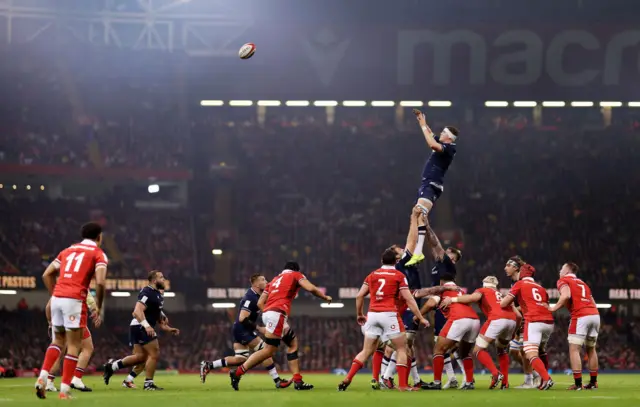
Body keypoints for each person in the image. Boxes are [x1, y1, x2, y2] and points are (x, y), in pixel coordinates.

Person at [229, 261, 331, 391]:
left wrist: (268, 313)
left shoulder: (274, 280)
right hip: (277, 314)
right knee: (268, 351)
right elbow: (311, 288)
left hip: (271, 314)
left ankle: (298, 381)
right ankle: (237, 373)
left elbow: (260, 302)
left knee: (292, 343)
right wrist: (325, 297)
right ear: (295, 269)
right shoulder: (296, 275)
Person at [337, 247, 429, 392]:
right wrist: (421, 317)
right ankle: (404, 386)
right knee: (402, 348)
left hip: (372, 314)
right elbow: (409, 299)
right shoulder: (398, 275)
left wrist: (360, 314)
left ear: (381, 260)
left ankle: (347, 378)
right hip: (389, 314)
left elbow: (359, 296)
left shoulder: (372, 275)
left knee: (366, 351)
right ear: (396, 261)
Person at [35, 222, 108, 400]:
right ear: (99, 237)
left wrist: (56, 294)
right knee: (74, 346)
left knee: (58, 341)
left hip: (57, 298)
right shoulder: (98, 254)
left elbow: (46, 274)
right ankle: (64, 390)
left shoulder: (68, 250)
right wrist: (98, 305)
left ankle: (42, 378)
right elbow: (100, 282)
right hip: (74, 300)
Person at [200, 274, 291, 388]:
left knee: (240, 359)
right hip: (243, 330)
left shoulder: (258, 296)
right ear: (256, 284)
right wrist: (259, 328)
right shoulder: (250, 297)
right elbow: (243, 318)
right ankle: (277, 381)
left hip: (240, 329)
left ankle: (209, 365)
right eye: (263, 280)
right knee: (265, 350)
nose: (266, 281)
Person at [103, 270, 180, 391]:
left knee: (140, 357)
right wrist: (147, 326)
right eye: (161, 277)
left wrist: (168, 328)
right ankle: (148, 384)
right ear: (154, 280)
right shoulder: (147, 291)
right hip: (141, 325)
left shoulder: (157, 295)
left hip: (138, 326)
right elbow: (137, 311)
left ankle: (112, 367)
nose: (164, 279)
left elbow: (159, 319)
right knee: (154, 354)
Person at [441, 276, 520, 389]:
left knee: (478, 350)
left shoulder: (482, 290)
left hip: (496, 319)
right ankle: (505, 383)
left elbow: (473, 298)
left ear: (484, 284)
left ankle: (496, 374)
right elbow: (518, 316)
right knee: (502, 350)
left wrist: (452, 299)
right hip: (511, 320)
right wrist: (513, 332)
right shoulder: (503, 295)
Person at [412, 214, 463, 389]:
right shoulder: (439, 264)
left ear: (452, 259)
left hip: (443, 304)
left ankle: (451, 378)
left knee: (442, 344)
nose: (442, 252)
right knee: (439, 343)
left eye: (448, 253)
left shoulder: (447, 264)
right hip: (439, 303)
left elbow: (435, 243)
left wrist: (426, 226)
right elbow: (433, 246)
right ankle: (453, 378)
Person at [378, 206, 426, 390]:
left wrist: (422, 223)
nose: (404, 249)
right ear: (398, 257)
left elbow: (417, 243)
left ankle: (416, 380)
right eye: (401, 249)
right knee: (404, 344)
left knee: (409, 345)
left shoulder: (407, 263)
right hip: (406, 307)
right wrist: (413, 217)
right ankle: (387, 377)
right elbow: (412, 239)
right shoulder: (402, 263)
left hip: (409, 305)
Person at [405, 109, 458, 266]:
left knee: (419, 213)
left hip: (431, 184)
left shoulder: (450, 148)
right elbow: (431, 134)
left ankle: (418, 251)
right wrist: (422, 121)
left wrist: (423, 128)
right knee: (418, 214)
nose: (440, 133)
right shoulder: (444, 143)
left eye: (443, 132)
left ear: (448, 137)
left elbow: (431, 143)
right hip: (428, 184)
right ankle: (418, 251)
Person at [420, 273, 479, 390]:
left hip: (458, 319)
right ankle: (469, 383)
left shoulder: (442, 290)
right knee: (465, 353)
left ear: (441, 282)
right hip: (474, 320)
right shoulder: (461, 291)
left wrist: (418, 316)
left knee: (438, 349)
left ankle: (437, 382)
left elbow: (430, 303)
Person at [500, 264, 554, 390]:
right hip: (549, 322)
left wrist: (511, 305)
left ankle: (546, 378)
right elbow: (545, 305)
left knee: (530, 353)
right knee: (541, 351)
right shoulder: (541, 288)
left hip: (534, 321)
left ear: (522, 273)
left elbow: (503, 303)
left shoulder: (519, 284)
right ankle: (543, 380)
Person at [549, 262, 600, 390]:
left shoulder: (563, 280)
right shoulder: (583, 283)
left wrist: (554, 307)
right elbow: (592, 301)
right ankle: (593, 383)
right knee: (591, 349)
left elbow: (566, 295)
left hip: (580, 316)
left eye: (561, 268)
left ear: (567, 270)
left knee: (574, 349)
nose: (560, 270)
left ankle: (578, 384)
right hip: (594, 314)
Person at [45, 292, 102, 393]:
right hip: (74, 318)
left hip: (59, 320)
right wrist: (95, 312)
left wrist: (50, 323)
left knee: (60, 352)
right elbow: (91, 302)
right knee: (87, 348)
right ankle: (76, 379)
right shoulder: (79, 284)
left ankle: (49, 382)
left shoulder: (62, 286)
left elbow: (48, 306)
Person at [504, 256, 540, 388]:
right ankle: (535, 373)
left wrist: (509, 307)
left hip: (529, 318)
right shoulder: (514, 283)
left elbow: (527, 305)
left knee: (524, 350)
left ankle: (530, 379)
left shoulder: (522, 282)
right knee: (514, 351)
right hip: (520, 319)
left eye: (508, 265)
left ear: (515, 267)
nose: (505, 268)